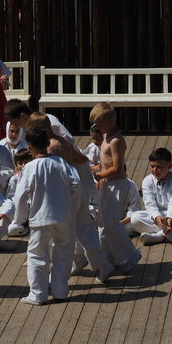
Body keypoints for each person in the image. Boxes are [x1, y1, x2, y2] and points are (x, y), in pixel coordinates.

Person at [27, 112, 116, 282]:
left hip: (66, 193)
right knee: (83, 229)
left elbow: (57, 173)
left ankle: (100, 264)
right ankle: (88, 261)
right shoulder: (62, 140)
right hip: (75, 189)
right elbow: (80, 159)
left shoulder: (51, 147)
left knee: (73, 231)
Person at [13, 128, 80, 305]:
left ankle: (38, 294)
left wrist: (19, 220)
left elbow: (20, 195)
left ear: (30, 147)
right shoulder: (62, 163)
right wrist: (71, 206)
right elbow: (77, 184)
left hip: (41, 217)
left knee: (37, 255)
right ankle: (60, 291)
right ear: (47, 143)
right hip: (64, 216)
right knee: (64, 253)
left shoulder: (30, 167)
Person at [91, 102, 142, 271]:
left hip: (118, 184)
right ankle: (112, 258)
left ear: (111, 121)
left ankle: (131, 255)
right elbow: (105, 164)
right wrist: (98, 172)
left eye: (99, 123)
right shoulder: (105, 137)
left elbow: (118, 168)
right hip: (107, 183)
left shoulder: (116, 140)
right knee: (103, 223)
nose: (96, 127)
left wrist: (100, 175)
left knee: (112, 223)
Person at [131, 147, 172, 244]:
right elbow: (150, 204)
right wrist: (156, 217)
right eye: (152, 166)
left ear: (169, 166)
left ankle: (159, 236)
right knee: (135, 218)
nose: (155, 170)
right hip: (158, 217)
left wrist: (170, 218)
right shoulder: (147, 181)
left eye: (159, 167)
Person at [5, 98, 74, 143]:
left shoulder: (47, 121)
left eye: (16, 123)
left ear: (23, 116)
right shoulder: (26, 131)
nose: (17, 127)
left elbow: (69, 141)